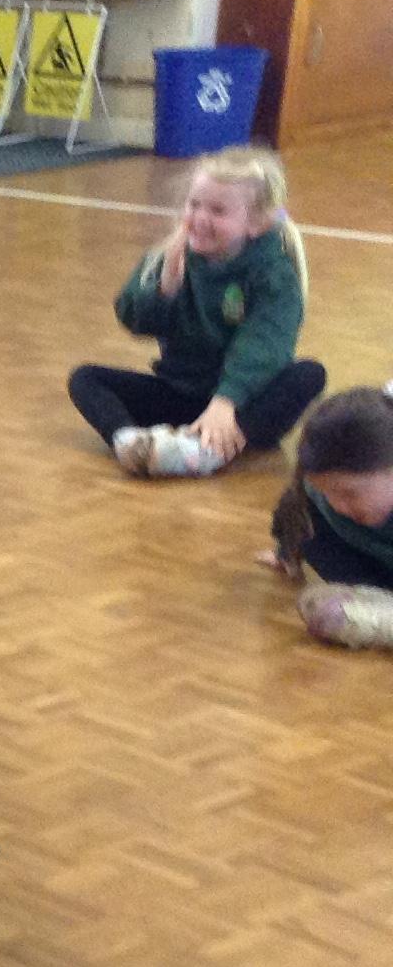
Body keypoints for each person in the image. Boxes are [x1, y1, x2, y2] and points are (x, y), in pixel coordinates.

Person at [68, 145, 321, 478]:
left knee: (308, 375)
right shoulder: (171, 257)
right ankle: (131, 444)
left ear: (257, 223)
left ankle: (205, 452)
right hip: (181, 392)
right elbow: (131, 315)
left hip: (243, 403)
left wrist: (226, 402)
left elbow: (263, 345)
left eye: (218, 211)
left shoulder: (273, 274)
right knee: (85, 378)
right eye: (194, 204)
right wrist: (165, 290)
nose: (200, 218)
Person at [265, 385, 393, 649]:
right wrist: (286, 551)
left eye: (349, 493)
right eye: (327, 493)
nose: (338, 505)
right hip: (379, 569)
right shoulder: (323, 496)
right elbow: (295, 503)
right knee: (310, 533)